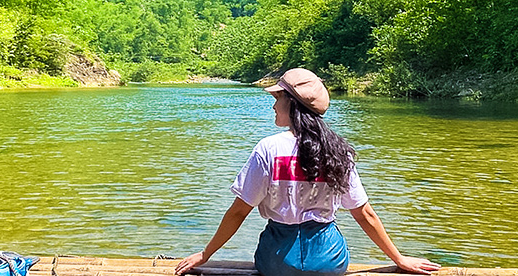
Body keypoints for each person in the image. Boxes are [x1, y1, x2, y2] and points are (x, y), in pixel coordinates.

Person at [175, 68, 441, 276]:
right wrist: (399, 259)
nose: (273, 105)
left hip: (277, 261)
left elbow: (237, 212)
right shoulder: (338, 151)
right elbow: (364, 214)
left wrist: (205, 254)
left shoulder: (268, 148)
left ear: (291, 103)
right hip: (329, 261)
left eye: (277, 98)